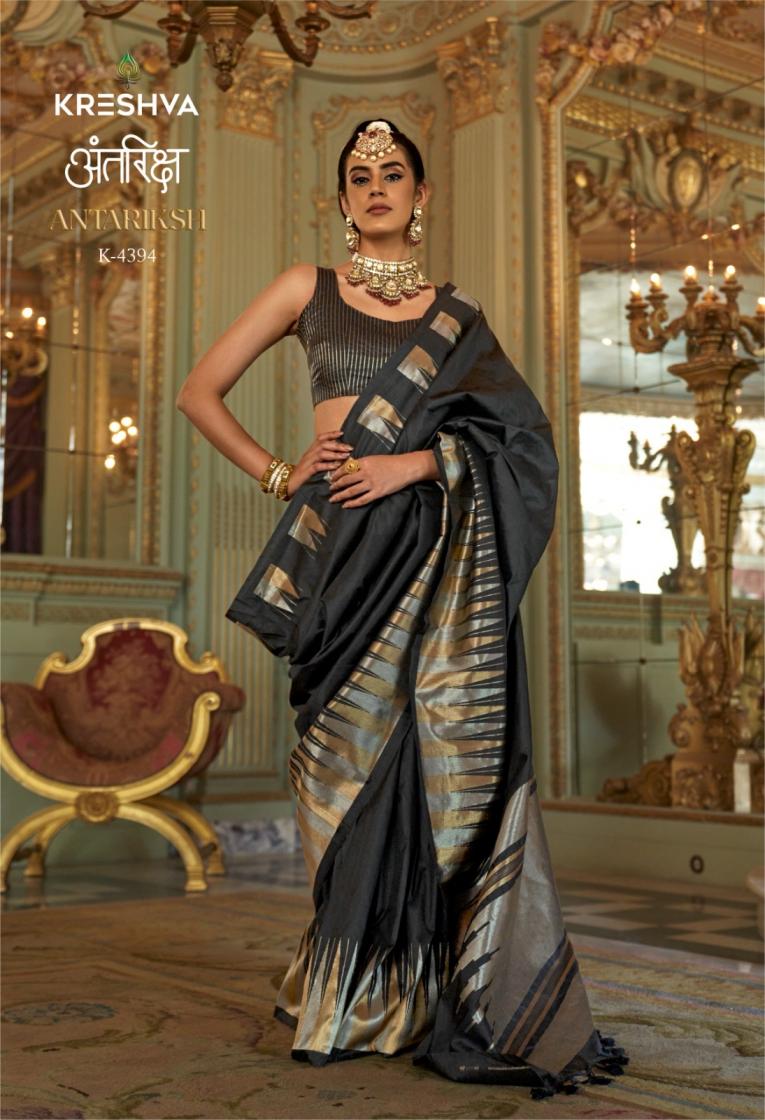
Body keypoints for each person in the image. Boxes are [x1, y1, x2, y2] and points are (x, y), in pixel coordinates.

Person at [176, 118, 629, 1101]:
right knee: (337, 765)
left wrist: (418, 463)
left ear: (420, 196)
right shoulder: (306, 289)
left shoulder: (457, 319)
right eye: (358, 176)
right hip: (339, 549)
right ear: (343, 201)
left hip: (434, 550)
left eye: (392, 173)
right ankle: (350, 985)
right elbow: (198, 390)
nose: (375, 185)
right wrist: (279, 470)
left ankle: (417, 993)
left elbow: (523, 445)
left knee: (427, 768)